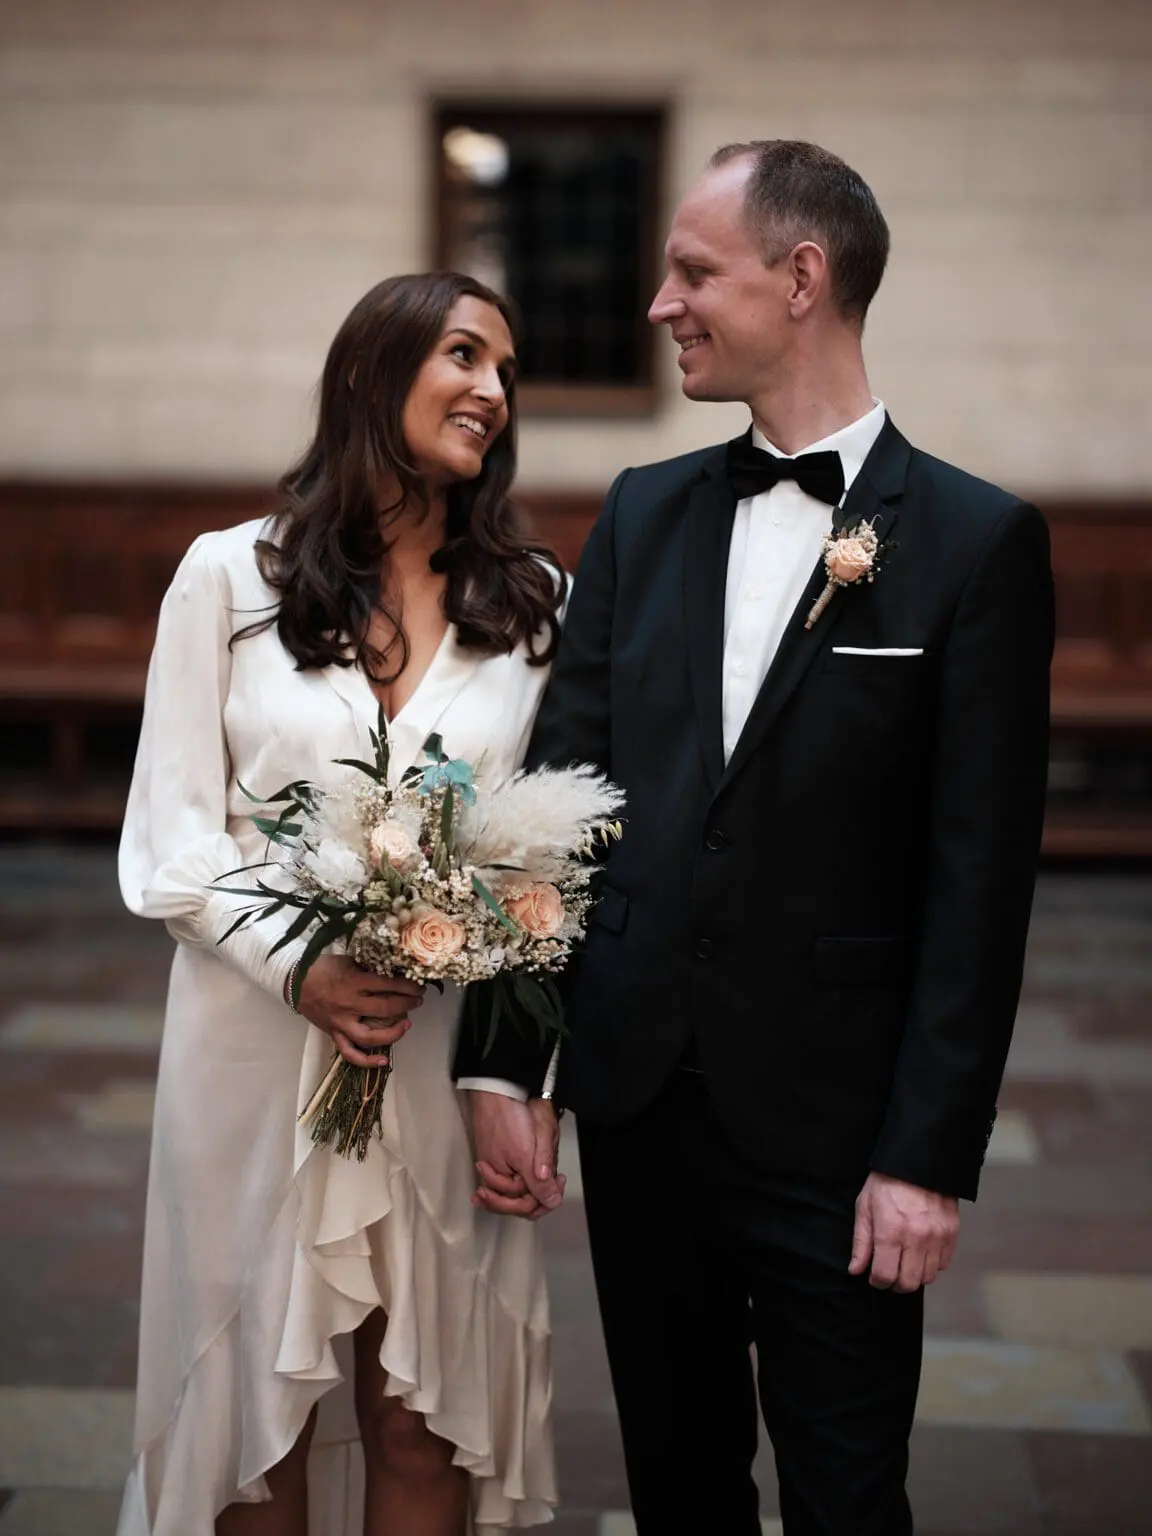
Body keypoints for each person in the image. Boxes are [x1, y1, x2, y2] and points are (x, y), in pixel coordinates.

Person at [456, 141, 1055, 1534]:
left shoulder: (973, 542)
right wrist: (507, 1053)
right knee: (677, 1486)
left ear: (803, 278)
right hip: (642, 1098)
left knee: (849, 1497)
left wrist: (927, 1156)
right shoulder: (646, 513)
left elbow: (982, 885)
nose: (661, 302)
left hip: (842, 1138)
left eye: (692, 271)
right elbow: (562, 798)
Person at [118, 271, 566, 1535]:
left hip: (433, 1049)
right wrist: (301, 963)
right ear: (372, 371)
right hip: (252, 1046)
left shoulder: (534, 607)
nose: (491, 391)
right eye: (465, 356)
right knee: (259, 1421)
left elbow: (552, 863)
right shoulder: (228, 579)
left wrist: (515, 1071)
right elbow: (168, 836)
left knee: (422, 1420)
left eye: (506, 374)